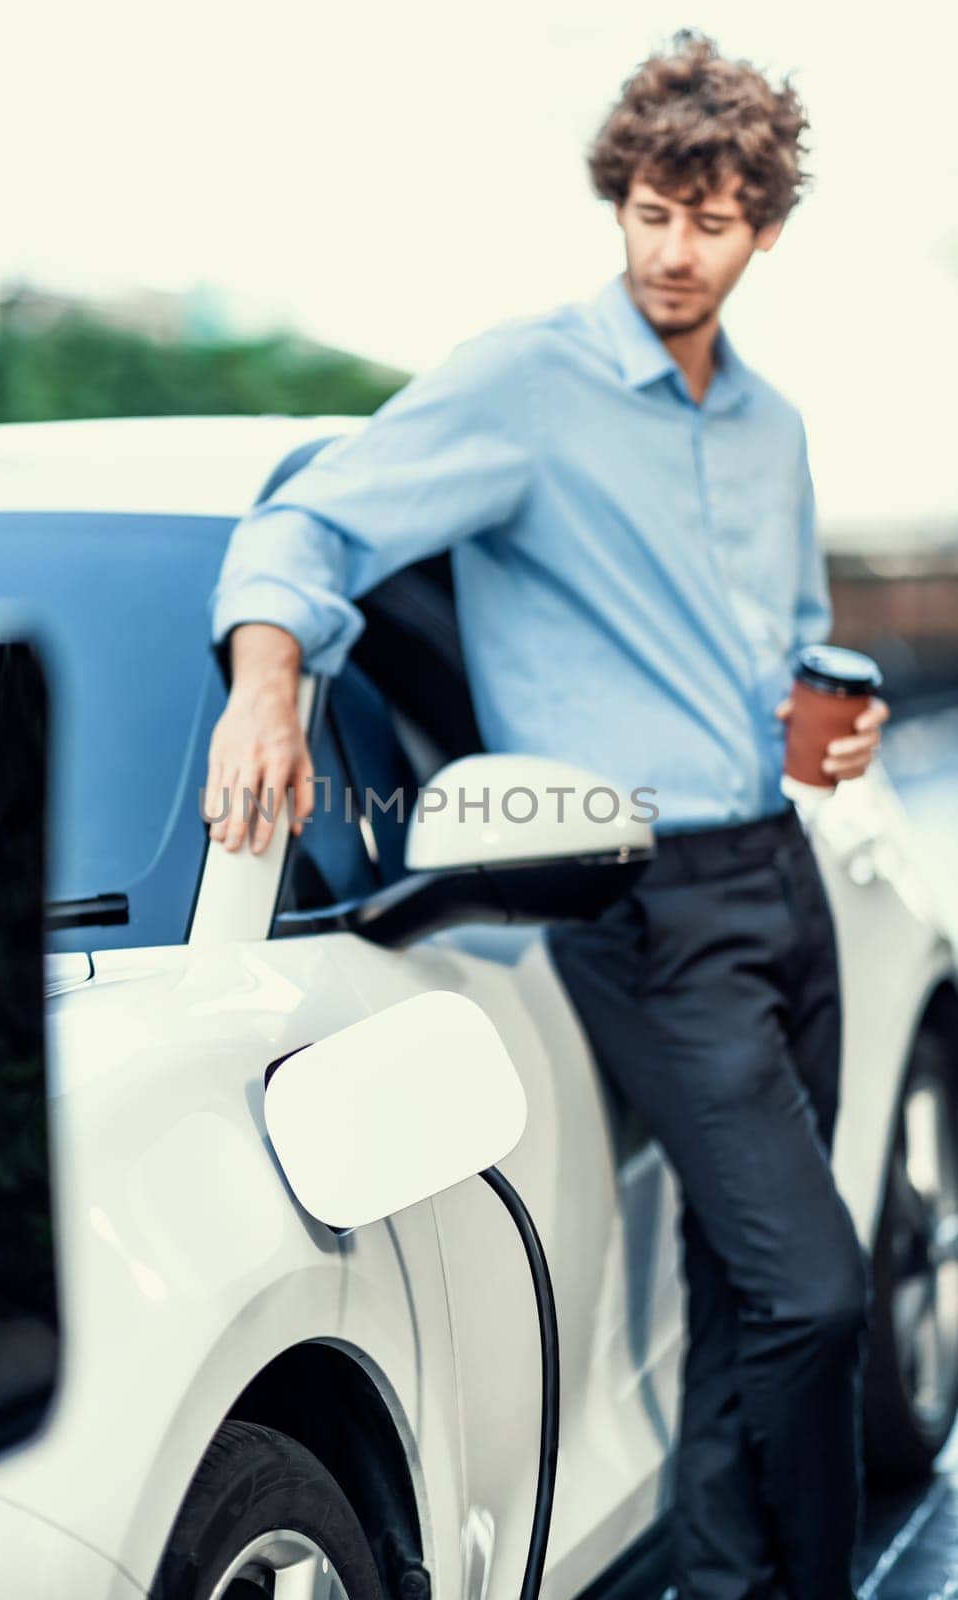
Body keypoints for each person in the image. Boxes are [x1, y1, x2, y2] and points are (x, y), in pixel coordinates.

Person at [205, 28, 890, 1600]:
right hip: (636, 902)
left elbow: (793, 631)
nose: (673, 249)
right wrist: (266, 681)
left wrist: (834, 717)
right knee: (820, 1294)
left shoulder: (774, 426)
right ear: (622, 200)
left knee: (746, 1291)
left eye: (711, 221)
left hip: (779, 878)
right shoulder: (526, 384)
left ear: (764, 231)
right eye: (652, 211)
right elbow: (311, 519)